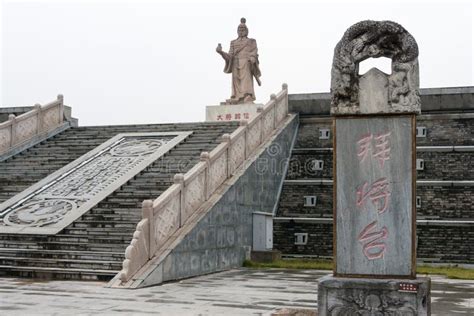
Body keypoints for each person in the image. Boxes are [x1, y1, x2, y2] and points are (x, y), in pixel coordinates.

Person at [216, 18, 261, 104]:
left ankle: (247, 95)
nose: (241, 31)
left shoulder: (251, 41)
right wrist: (221, 52)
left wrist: (252, 58)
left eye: (243, 29)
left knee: (246, 79)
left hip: (246, 62)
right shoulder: (233, 42)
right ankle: (236, 97)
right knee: (236, 80)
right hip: (235, 63)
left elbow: (254, 51)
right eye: (239, 29)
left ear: (247, 30)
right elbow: (229, 56)